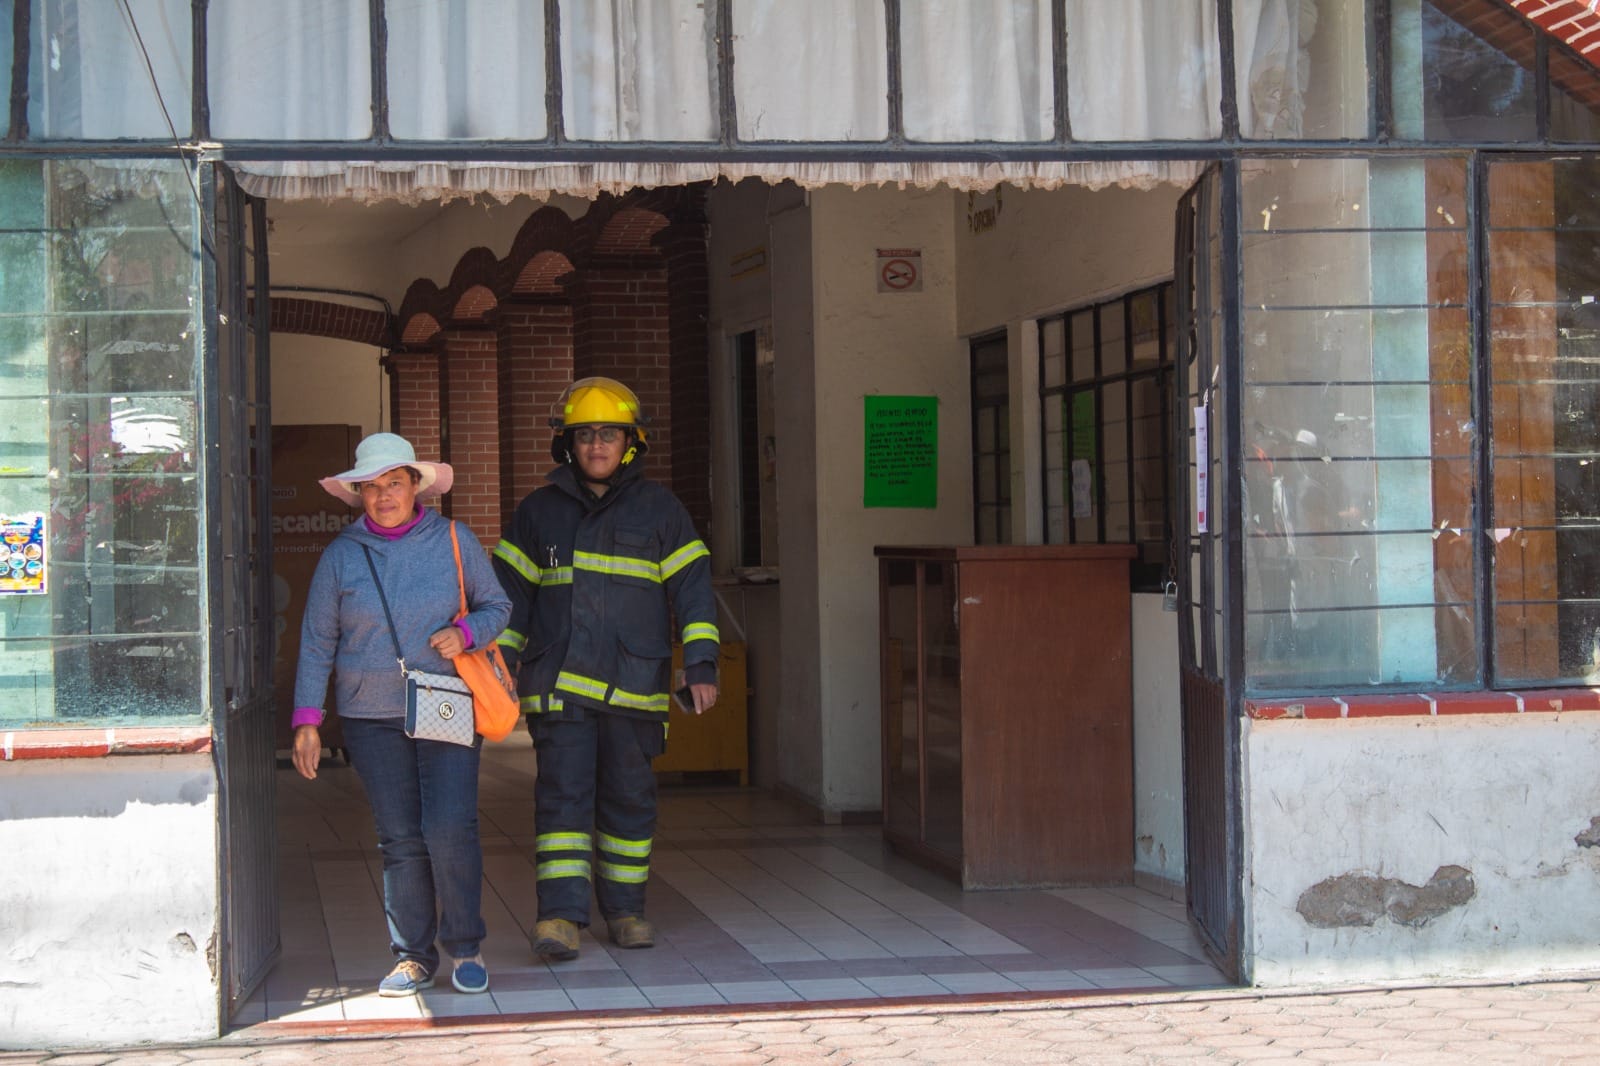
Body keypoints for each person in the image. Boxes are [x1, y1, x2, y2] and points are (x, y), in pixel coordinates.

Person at [493, 376, 719, 961]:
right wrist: (500, 669)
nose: (597, 445)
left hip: (634, 688)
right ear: (568, 443)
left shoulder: (661, 511)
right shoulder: (538, 512)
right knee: (562, 803)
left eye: (610, 434)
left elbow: (693, 591)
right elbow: (509, 599)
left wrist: (701, 663)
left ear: (631, 442)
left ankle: (625, 911)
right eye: (586, 434)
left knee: (629, 802)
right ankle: (560, 918)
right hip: (560, 686)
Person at [291, 432, 511, 997]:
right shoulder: (342, 555)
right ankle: (413, 956)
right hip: (371, 715)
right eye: (372, 487)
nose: (384, 495)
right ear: (359, 493)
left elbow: (498, 607)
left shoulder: (456, 541)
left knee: (449, 828)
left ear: (416, 485)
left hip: (446, 702)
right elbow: (317, 641)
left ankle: (465, 945)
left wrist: (464, 633)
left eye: (394, 483)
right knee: (400, 838)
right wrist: (308, 720)